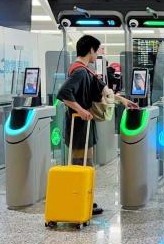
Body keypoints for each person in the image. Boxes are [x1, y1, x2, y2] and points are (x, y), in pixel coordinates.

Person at [57, 35, 137, 215]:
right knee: (80, 164)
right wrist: (82, 110)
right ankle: (77, 200)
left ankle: (85, 198)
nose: (99, 53)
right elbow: (63, 93)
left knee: (87, 164)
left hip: (84, 126)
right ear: (90, 50)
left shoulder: (86, 71)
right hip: (79, 126)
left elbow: (103, 90)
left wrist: (123, 100)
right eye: (98, 49)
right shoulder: (79, 71)